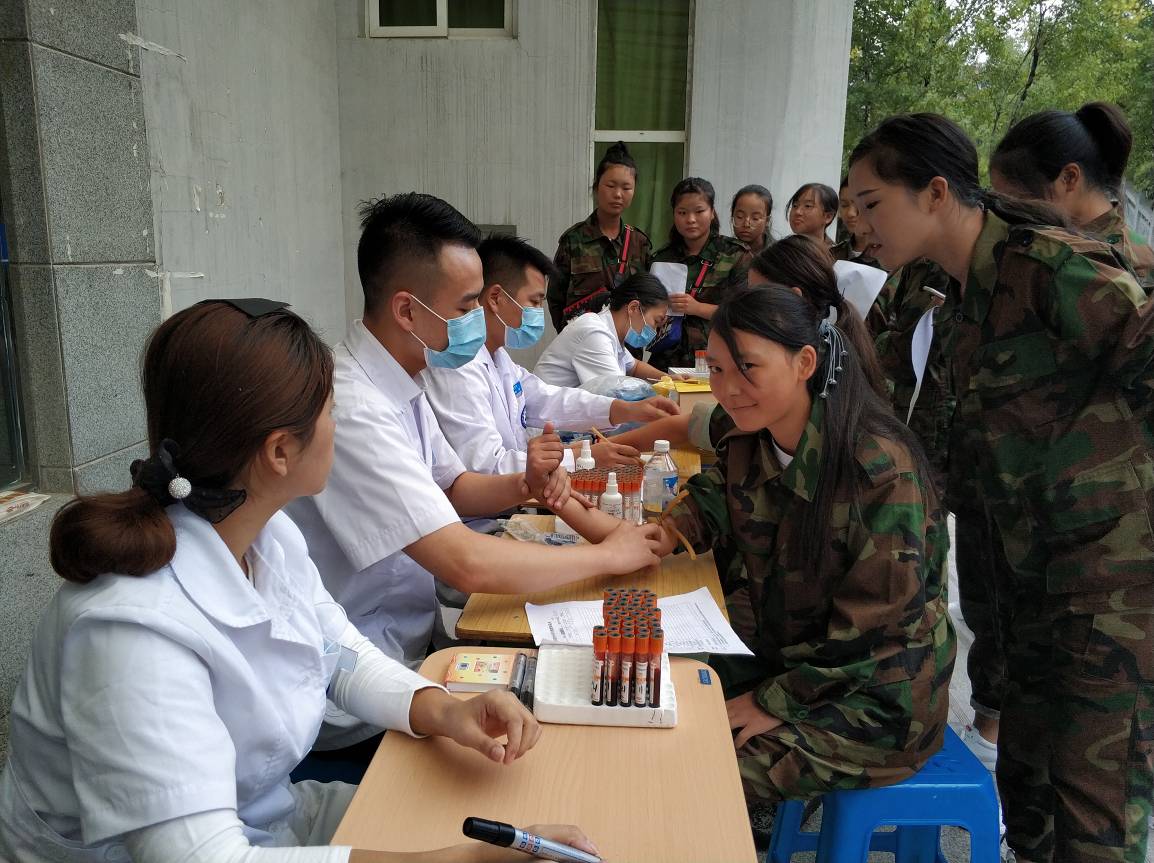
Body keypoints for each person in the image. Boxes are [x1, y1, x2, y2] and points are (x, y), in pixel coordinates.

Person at [0, 299, 600, 863]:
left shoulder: (267, 535)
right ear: (280, 452)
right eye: (331, 411)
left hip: (271, 820)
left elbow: (338, 653)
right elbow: (204, 857)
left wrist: (443, 709)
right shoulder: (131, 632)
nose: (339, 424)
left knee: (514, 810)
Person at [849, 112, 1154, 863]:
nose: (859, 223)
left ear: (935, 192)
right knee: (1028, 784)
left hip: (1110, 582)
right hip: (1031, 573)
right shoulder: (954, 290)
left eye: (871, 203)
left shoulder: (1048, 267)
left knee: (1096, 807)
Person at [287, 194, 663, 752]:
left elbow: (456, 486)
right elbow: (463, 561)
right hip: (362, 682)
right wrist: (607, 557)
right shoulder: (356, 406)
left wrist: (525, 486)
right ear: (407, 311)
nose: (475, 322)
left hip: (412, 644)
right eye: (465, 308)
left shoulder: (406, 378)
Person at [651, 285, 955, 804]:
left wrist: (774, 701)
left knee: (696, 774)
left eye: (748, 367)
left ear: (804, 363)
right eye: (717, 369)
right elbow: (712, 500)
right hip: (793, 658)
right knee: (652, 693)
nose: (728, 388)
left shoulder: (879, 471)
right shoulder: (754, 435)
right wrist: (653, 535)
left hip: (874, 696)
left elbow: (874, 631)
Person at [423, 234, 680, 474]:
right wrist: (579, 457)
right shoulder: (460, 366)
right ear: (496, 298)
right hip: (494, 500)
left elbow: (547, 399)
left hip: (521, 477)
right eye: (534, 302)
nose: (538, 313)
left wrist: (625, 409)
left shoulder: (499, 358)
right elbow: (487, 466)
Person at [991, 101, 1153, 292]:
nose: (1007, 216)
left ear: (1069, 178)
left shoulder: (1134, 267)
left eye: (1017, 201)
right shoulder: (1049, 242)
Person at [748, 235, 888, 400]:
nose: (748, 306)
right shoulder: (836, 347)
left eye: (757, 297)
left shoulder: (803, 366)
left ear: (794, 298)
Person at [648, 177, 752, 371]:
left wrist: (698, 308)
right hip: (665, 362)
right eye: (682, 212)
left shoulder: (735, 255)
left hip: (716, 361)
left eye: (699, 211)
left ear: (712, 212)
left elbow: (746, 314)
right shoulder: (661, 258)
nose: (690, 219)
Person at [547, 141, 653, 332]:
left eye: (626, 188)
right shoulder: (573, 240)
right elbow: (556, 297)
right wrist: (568, 336)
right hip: (582, 342)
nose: (618, 194)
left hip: (626, 344)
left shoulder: (639, 243)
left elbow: (648, 297)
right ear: (597, 186)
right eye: (610, 186)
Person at [534, 272, 679, 387]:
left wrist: (669, 379)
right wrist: (660, 393)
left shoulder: (611, 332)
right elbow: (617, 392)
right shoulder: (595, 333)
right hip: (549, 414)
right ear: (634, 308)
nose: (654, 330)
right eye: (656, 321)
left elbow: (634, 367)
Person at [831, 175, 882, 269]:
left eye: (859, 204)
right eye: (844, 205)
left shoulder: (894, 256)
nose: (850, 213)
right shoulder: (831, 255)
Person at [786, 182, 838, 248]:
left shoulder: (837, 253)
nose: (797, 212)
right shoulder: (781, 250)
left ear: (828, 217)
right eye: (795, 205)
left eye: (808, 206)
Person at [730, 184, 774, 255]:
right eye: (740, 216)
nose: (746, 224)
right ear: (732, 216)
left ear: (767, 220)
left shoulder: (778, 254)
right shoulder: (723, 250)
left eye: (755, 218)